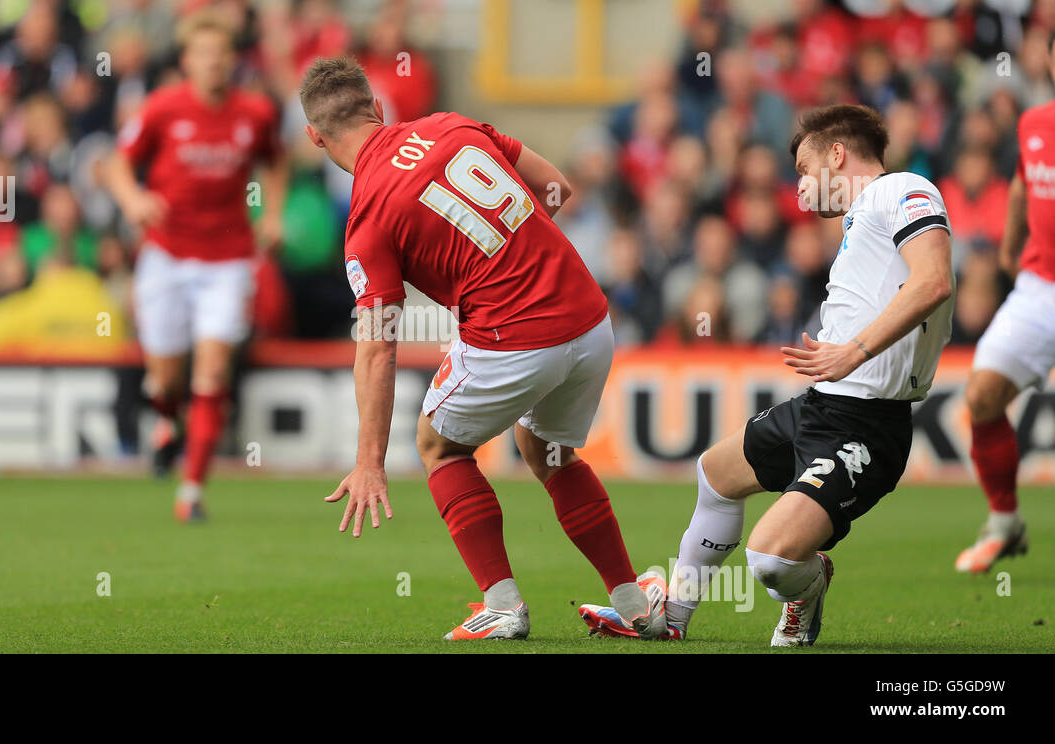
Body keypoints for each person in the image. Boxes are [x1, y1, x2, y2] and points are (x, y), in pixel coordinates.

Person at [301, 57, 664, 641]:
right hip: (590, 319)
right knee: (544, 449)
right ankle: (636, 603)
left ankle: (501, 604)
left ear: (315, 137)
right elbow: (556, 188)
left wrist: (368, 462)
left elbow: (377, 348)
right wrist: (506, 250)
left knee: (438, 446)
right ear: (379, 108)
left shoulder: (366, 217)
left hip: (514, 336)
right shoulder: (452, 124)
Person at [598, 104, 954, 646]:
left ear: (837, 154)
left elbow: (933, 281)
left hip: (867, 422)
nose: (803, 187)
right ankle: (672, 617)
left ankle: (808, 591)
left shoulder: (903, 188)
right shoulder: (861, 219)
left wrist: (853, 351)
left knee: (769, 561)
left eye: (806, 170)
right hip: (823, 403)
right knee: (715, 474)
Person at [106, 13, 286, 522]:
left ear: (233, 60)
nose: (214, 63)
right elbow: (118, 162)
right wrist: (134, 199)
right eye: (204, 54)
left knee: (210, 372)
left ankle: (191, 492)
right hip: (164, 255)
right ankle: (167, 420)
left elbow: (275, 161)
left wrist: (272, 214)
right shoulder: (162, 108)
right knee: (165, 377)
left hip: (227, 260)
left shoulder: (254, 113)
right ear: (187, 61)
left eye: (222, 54)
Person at [955, 34, 1055, 574]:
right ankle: (1005, 522)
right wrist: (1010, 249)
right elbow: (1023, 184)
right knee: (984, 397)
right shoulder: (1035, 123)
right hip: (1041, 286)